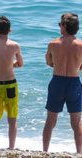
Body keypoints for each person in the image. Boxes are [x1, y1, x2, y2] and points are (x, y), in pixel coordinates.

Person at [43, 13, 82, 153]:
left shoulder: (53, 44)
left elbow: (49, 63)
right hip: (74, 82)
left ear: (65, 26)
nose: (59, 27)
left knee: (50, 120)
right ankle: (79, 152)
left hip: (58, 81)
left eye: (60, 24)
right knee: (76, 122)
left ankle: (45, 151)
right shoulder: (81, 45)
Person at [0, 16, 23, 149]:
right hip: (10, 84)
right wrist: (11, 64)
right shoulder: (15, 45)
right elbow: (20, 64)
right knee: (12, 118)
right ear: (10, 30)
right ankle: (11, 147)